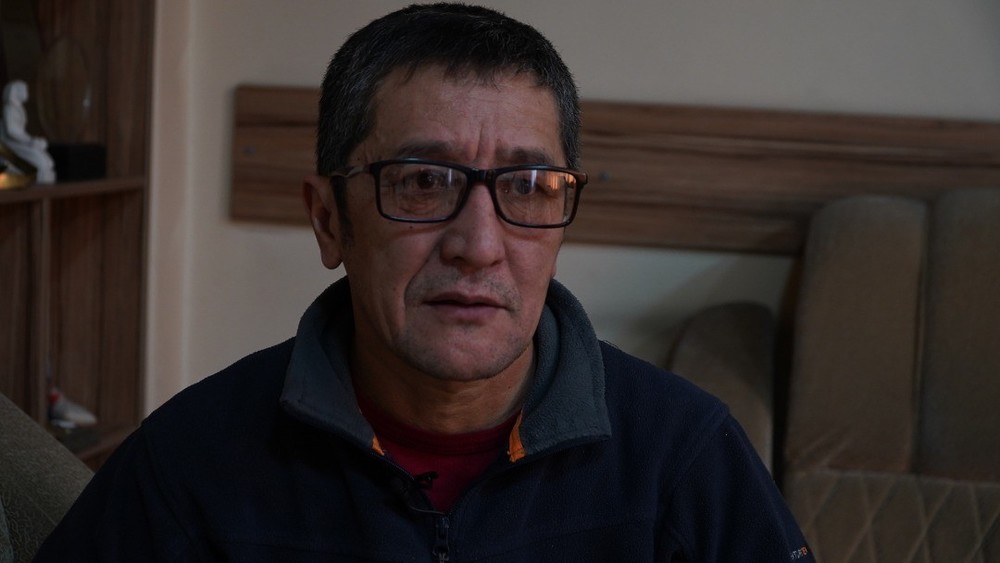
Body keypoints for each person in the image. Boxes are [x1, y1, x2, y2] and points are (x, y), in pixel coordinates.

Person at [35, 4, 814, 561]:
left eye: (527, 186)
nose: (479, 245)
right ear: (329, 220)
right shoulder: (191, 465)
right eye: (421, 182)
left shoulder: (682, 459)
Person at [0, 80, 56, 184]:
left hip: (20, 141)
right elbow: (12, 131)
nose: (26, 92)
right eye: (23, 90)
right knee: (41, 161)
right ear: (15, 92)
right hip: (12, 143)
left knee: (46, 161)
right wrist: (30, 141)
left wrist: (33, 141)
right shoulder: (9, 109)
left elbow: (21, 132)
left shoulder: (19, 109)